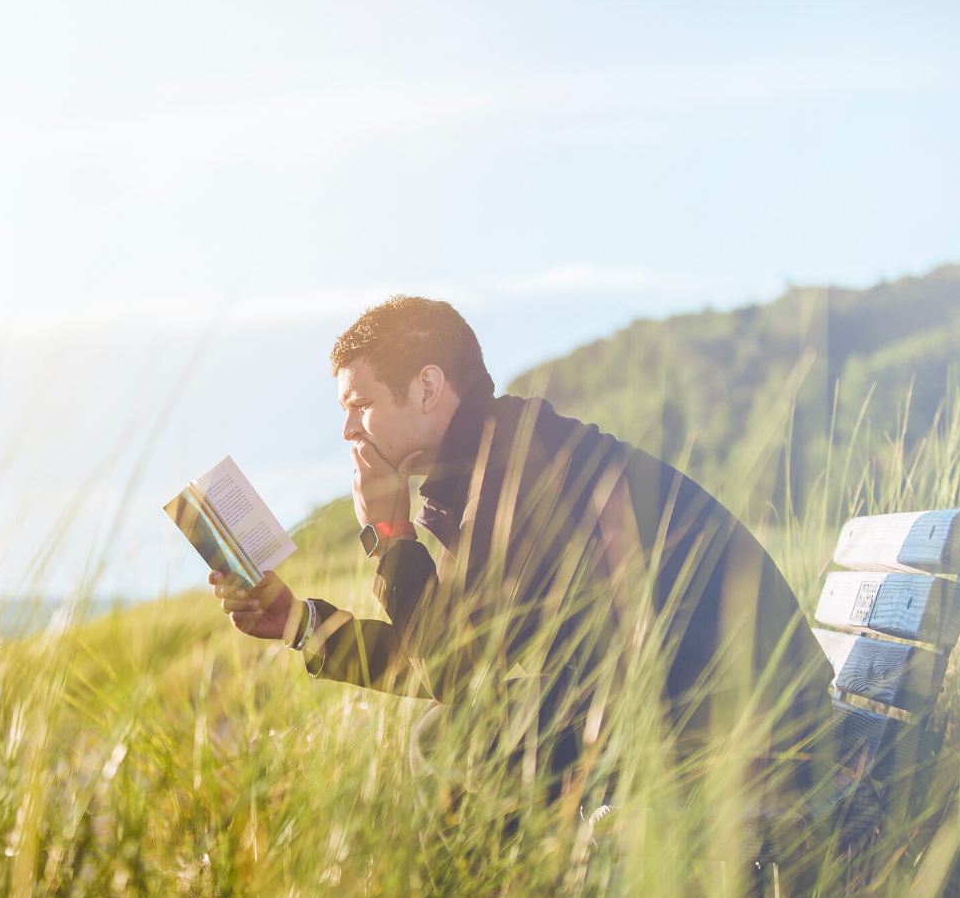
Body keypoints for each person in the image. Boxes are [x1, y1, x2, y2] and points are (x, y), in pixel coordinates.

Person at [210, 295, 833, 814]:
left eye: (360, 405)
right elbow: (454, 654)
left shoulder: (521, 468)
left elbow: (449, 669)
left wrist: (393, 533)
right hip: (710, 707)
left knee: (457, 739)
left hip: (754, 730)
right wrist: (298, 622)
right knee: (470, 731)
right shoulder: (490, 461)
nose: (349, 432)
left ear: (428, 387)